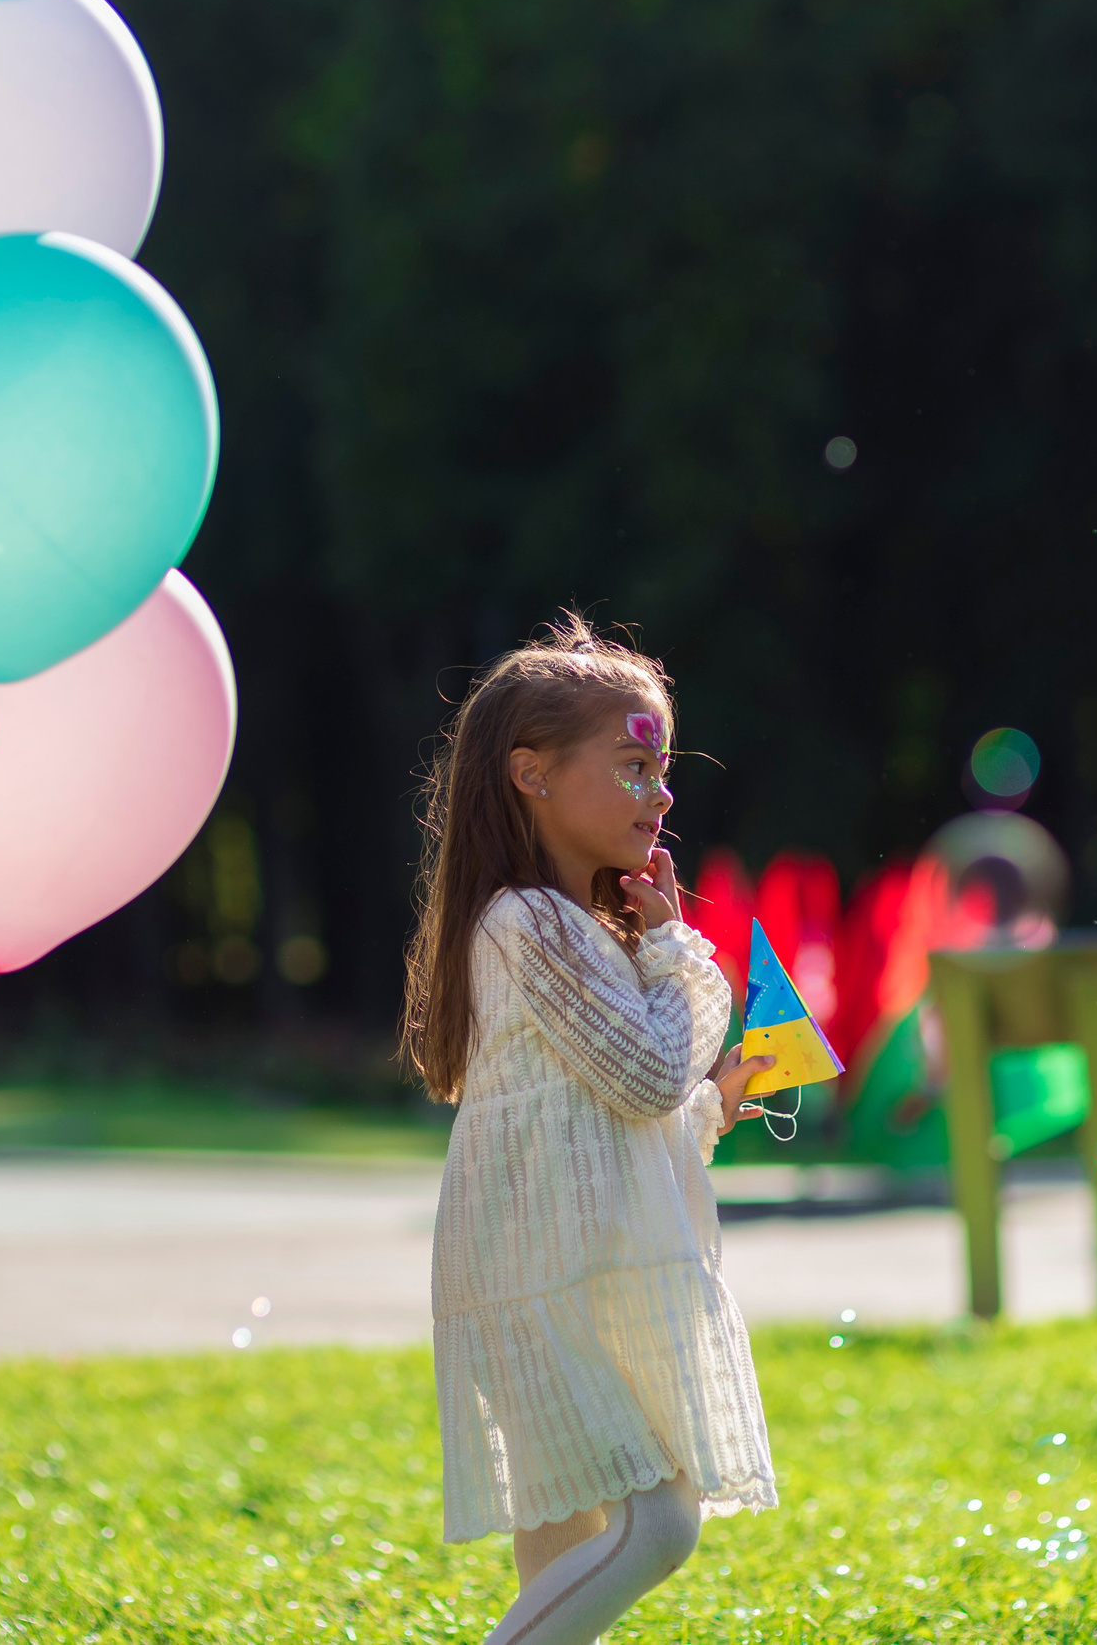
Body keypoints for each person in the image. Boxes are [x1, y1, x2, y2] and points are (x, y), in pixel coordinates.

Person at [402, 616, 778, 1645]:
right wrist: (677, 951)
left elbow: (623, 1118)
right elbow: (650, 1073)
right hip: (549, 1280)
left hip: (577, 1263)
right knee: (659, 1524)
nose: (659, 793)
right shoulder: (527, 921)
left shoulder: (576, 927)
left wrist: (717, 1104)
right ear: (530, 774)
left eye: (662, 768)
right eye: (630, 765)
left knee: (567, 1549)